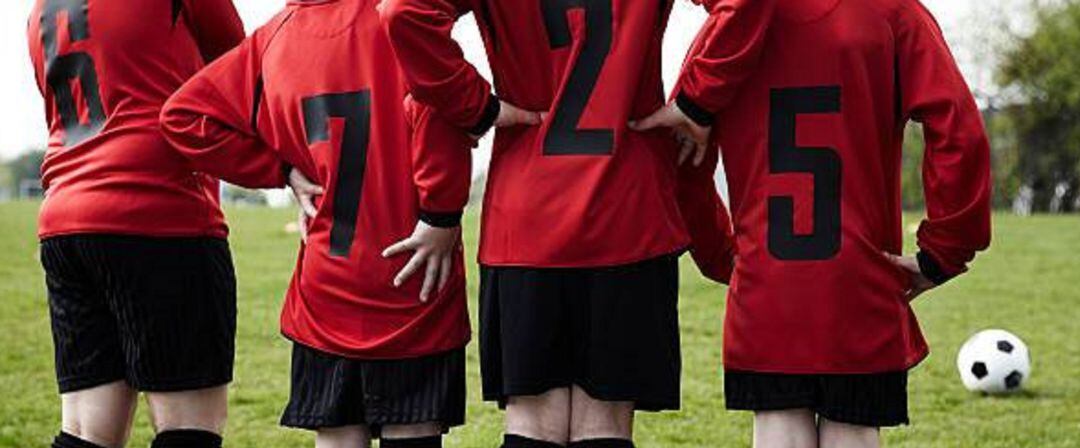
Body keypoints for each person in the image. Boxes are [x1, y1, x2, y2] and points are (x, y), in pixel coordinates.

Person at [379, 0, 763, 446]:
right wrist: (699, 99)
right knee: (605, 426)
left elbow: (400, 12)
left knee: (532, 424)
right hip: (628, 211)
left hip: (526, 218)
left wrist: (477, 107)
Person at [635, 0, 993, 446]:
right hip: (859, 281)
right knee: (855, 432)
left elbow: (684, 161)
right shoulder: (894, 12)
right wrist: (946, 249)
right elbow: (959, 132)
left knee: (778, 429)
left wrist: (723, 256)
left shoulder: (727, 30)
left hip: (768, 286)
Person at [160, 0, 476, 447]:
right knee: (413, 430)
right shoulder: (400, 16)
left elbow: (182, 117)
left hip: (327, 283)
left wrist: (279, 169)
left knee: (336, 435)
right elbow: (437, 108)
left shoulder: (274, 36)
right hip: (413, 273)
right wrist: (441, 213)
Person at [26, 0, 244, 447]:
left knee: (87, 431)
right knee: (189, 426)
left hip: (66, 215)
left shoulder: (41, 8)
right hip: (158, 211)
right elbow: (244, 70)